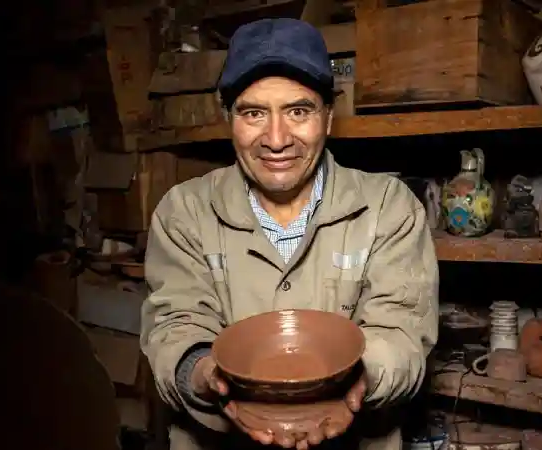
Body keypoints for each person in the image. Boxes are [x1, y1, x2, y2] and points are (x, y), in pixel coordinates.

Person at [141, 18, 439, 450]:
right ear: (229, 119)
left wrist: (358, 380)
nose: (276, 139)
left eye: (298, 111)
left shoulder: (387, 207)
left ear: (329, 118)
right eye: (254, 113)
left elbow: (402, 331)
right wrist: (206, 375)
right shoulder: (183, 211)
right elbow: (175, 327)